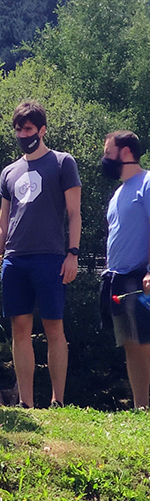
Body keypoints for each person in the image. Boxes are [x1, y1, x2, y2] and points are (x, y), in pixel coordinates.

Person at [0, 101, 81, 408]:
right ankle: (26, 402)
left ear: (42, 130)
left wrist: (73, 253)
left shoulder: (62, 162)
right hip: (15, 259)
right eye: (18, 129)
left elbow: (74, 214)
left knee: (54, 325)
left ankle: (58, 400)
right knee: (19, 328)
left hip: (51, 256)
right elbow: (3, 223)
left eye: (28, 129)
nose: (22, 134)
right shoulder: (8, 172)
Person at [100, 131, 150, 409]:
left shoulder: (147, 183)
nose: (105, 159)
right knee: (131, 343)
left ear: (127, 153)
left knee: (145, 342)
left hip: (141, 277)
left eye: (109, 152)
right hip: (118, 279)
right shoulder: (119, 192)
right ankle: (140, 407)